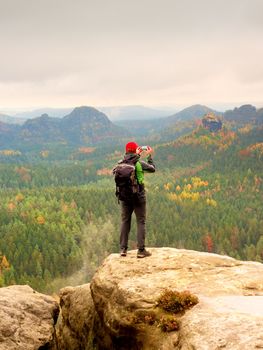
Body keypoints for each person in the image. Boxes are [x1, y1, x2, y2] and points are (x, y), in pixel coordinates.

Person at [116, 141, 155, 258]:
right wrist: (149, 156)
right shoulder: (139, 163)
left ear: (126, 151)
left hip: (124, 197)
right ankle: (141, 250)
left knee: (125, 221)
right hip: (138, 196)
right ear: (136, 151)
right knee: (141, 221)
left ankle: (123, 249)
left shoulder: (120, 163)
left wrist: (136, 155)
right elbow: (152, 169)